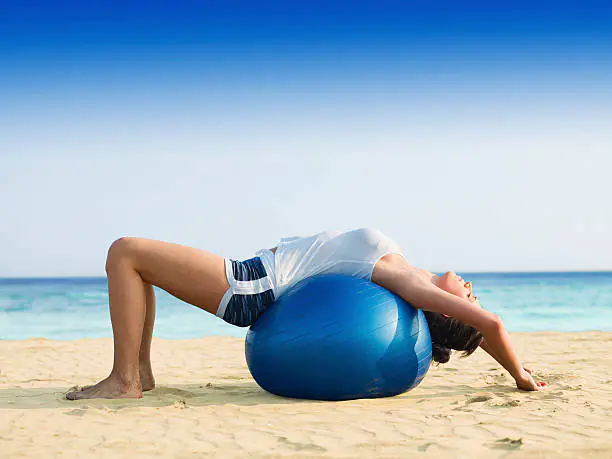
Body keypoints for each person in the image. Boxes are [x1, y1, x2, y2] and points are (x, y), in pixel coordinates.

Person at [65, 228, 546, 400]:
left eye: (470, 297)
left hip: (252, 284)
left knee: (125, 252)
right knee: (136, 263)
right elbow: (482, 323)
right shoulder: (406, 273)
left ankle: (124, 380)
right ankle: (139, 374)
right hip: (258, 280)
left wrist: (519, 374)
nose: (469, 288)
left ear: (452, 310)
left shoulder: (410, 285)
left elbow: (491, 326)